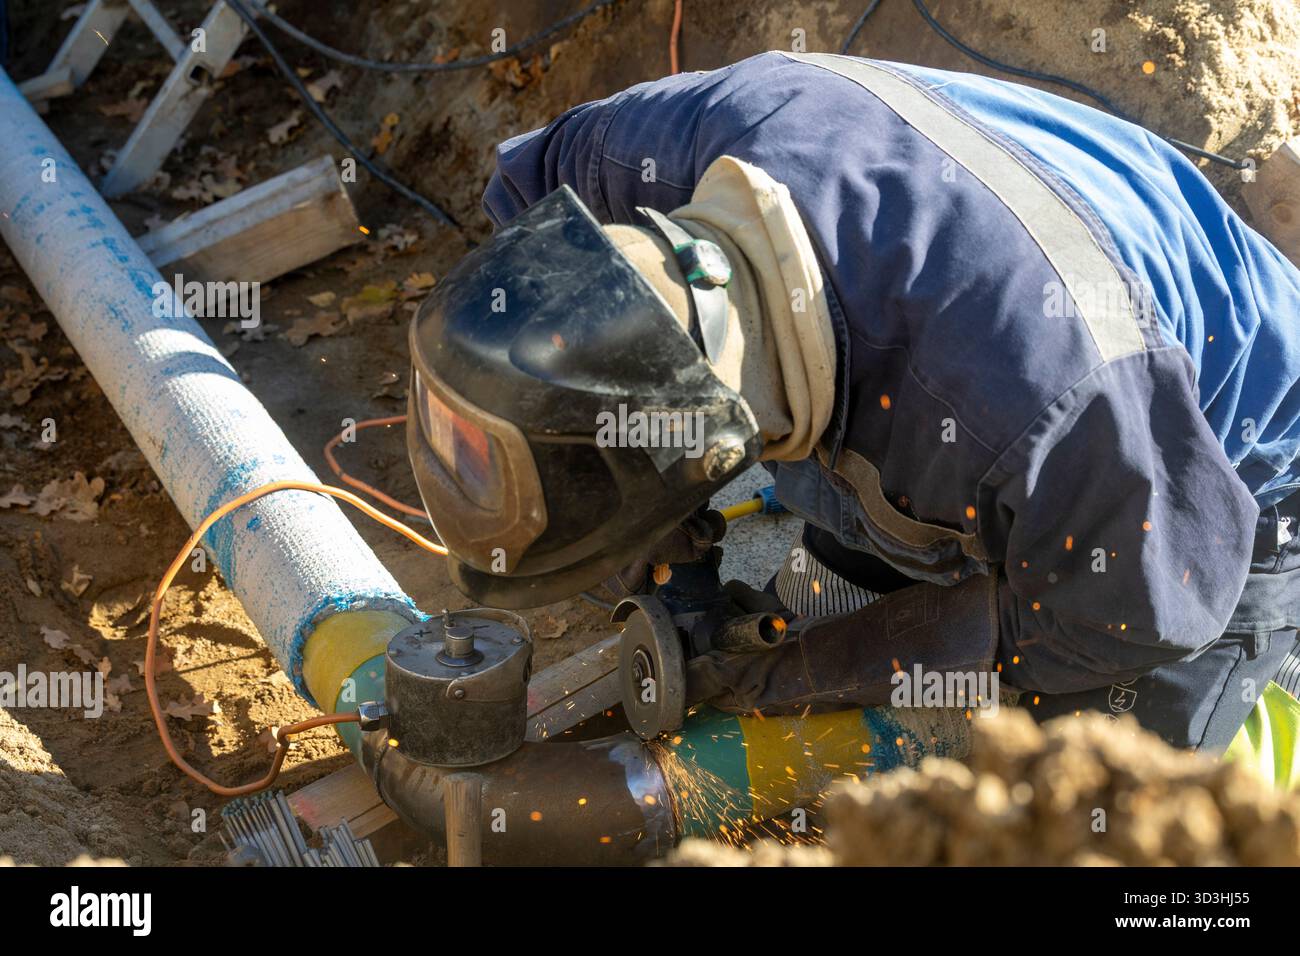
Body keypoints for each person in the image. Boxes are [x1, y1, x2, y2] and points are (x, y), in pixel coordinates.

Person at [407, 52, 1300, 759]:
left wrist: (794, 675)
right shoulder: (644, 152)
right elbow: (523, 200)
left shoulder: (1043, 407)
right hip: (1016, 317)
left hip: (1223, 469)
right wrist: (660, 547)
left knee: (1096, 785)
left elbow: (1131, 615)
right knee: (862, 551)